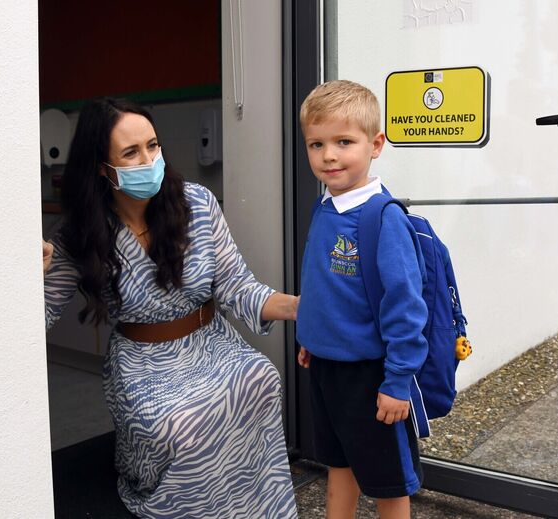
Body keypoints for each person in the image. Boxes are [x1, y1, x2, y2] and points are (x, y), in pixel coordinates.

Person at [42, 98, 298, 518]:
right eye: (131, 152)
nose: (148, 159)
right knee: (181, 422)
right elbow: (37, 319)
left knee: (259, 376)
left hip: (212, 344)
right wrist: (27, 280)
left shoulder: (196, 202)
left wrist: (300, 307)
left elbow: (237, 284)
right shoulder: (81, 236)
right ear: (100, 168)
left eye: (153, 145)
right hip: (143, 364)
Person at [295, 80, 429, 519]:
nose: (328, 155)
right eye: (316, 144)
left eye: (343, 142)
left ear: (375, 145)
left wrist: (396, 382)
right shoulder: (326, 208)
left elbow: (406, 309)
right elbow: (324, 287)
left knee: (388, 481)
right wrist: (313, 338)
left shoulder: (381, 218)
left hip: (372, 378)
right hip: (327, 369)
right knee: (339, 462)